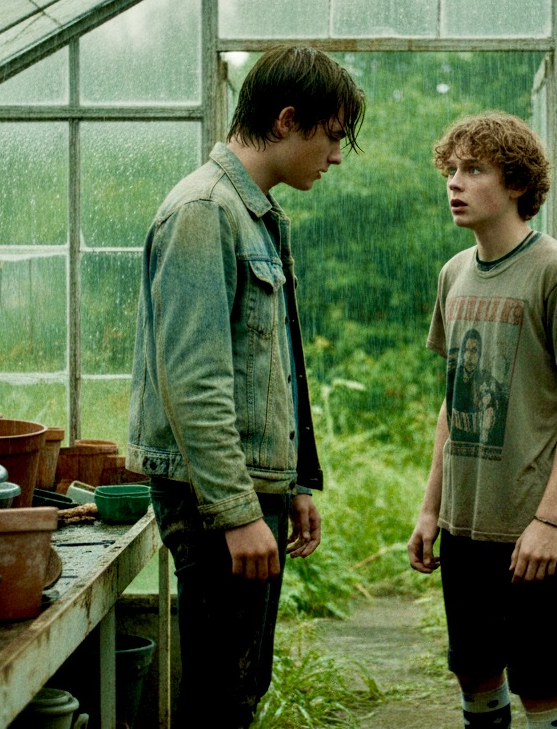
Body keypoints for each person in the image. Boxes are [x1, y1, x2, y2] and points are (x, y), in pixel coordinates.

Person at [125, 46, 365, 727]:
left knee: (240, 685)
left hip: (245, 489)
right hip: (211, 500)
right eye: (331, 136)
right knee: (219, 697)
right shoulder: (204, 211)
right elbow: (193, 380)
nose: (337, 155)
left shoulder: (251, 212)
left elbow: (265, 365)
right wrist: (235, 511)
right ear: (288, 120)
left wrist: (290, 484)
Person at [408, 111, 557, 729]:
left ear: (516, 183)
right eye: (451, 170)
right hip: (464, 523)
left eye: (474, 170)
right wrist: (431, 508)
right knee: (474, 671)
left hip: (530, 531)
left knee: (541, 684)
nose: (455, 184)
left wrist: (548, 520)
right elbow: (452, 396)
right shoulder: (453, 273)